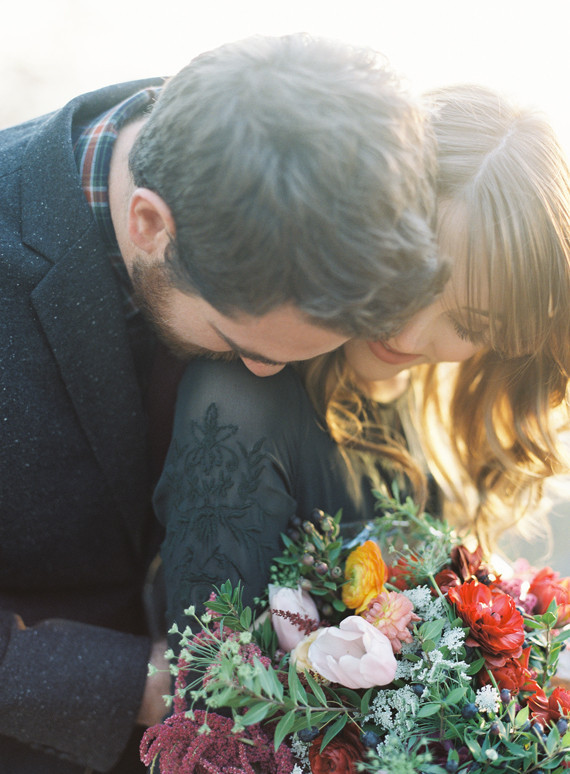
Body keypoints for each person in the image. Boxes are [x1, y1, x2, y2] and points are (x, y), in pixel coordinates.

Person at [0, 33, 445, 774]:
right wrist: (137, 684)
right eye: (242, 341)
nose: (266, 372)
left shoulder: (307, 188)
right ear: (149, 225)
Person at [155, 84, 570, 657]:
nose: (406, 335)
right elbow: (207, 685)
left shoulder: (432, 414)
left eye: (469, 324)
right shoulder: (241, 405)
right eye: (413, 281)